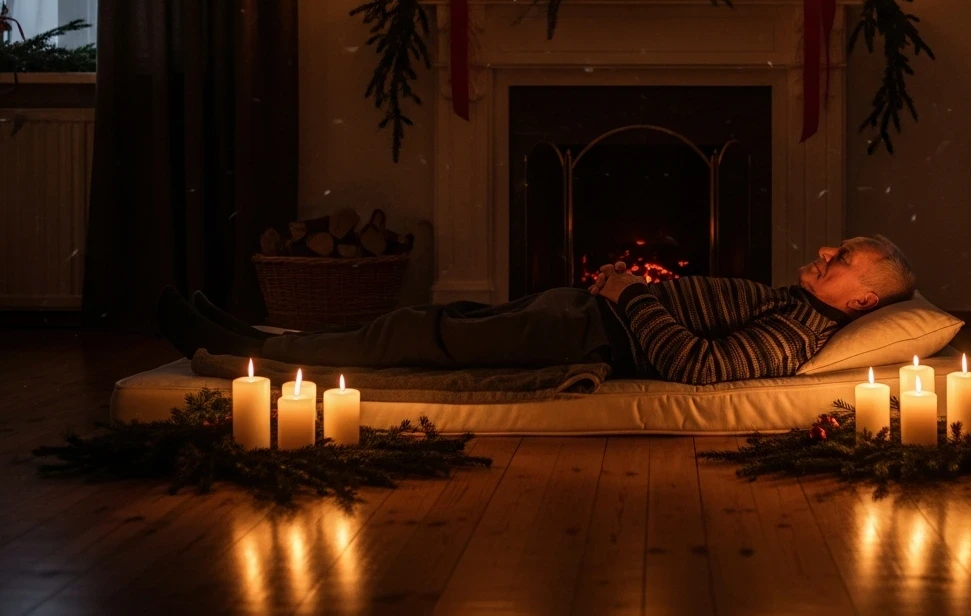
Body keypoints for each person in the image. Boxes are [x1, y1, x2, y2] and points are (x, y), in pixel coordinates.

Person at [157, 235, 916, 385]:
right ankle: (254, 335)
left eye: (841, 259)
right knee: (433, 322)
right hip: (584, 312)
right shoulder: (796, 303)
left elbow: (697, 366)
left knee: (408, 335)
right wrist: (626, 290)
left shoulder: (800, 329)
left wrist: (633, 294)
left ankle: (238, 348)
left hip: (586, 332)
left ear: (866, 299)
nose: (824, 254)